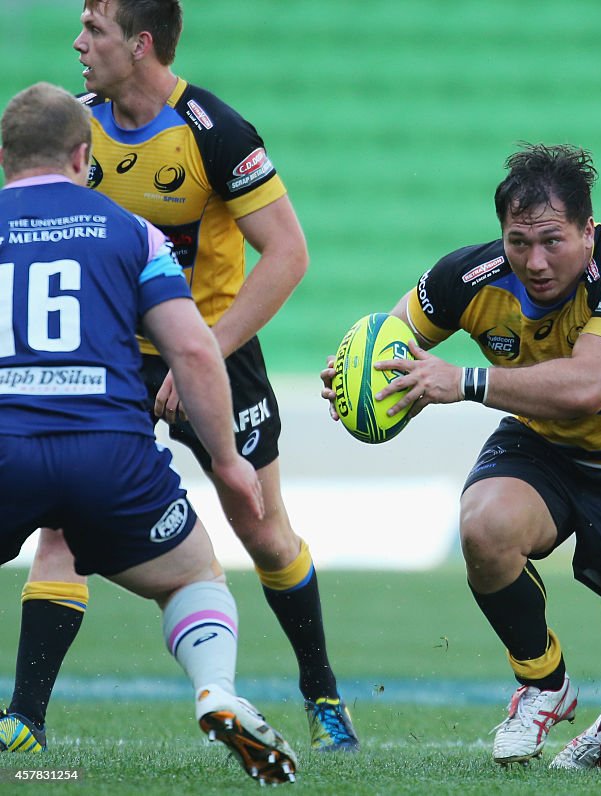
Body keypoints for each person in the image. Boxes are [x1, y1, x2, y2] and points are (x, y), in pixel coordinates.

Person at [3, 0, 358, 754]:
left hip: (211, 346)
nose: (79, 42)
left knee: (262, 529)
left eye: (94, 29)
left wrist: (206, 343)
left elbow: (287, 254)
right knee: (63, 525)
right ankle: (27, 719)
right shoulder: (77, 126)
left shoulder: (214, 131)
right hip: (107, 356)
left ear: (139, 44)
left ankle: (322, 694)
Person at [321, 143, 601, 769]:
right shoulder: (467, 278)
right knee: (484, 525)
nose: (535, 261)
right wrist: (360, 381)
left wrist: (464, 382)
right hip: (543, 445)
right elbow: (393, 346)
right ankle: (543, 685)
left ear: (587, 231)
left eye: (552, 240)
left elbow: (588, 387)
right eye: (518, 243)